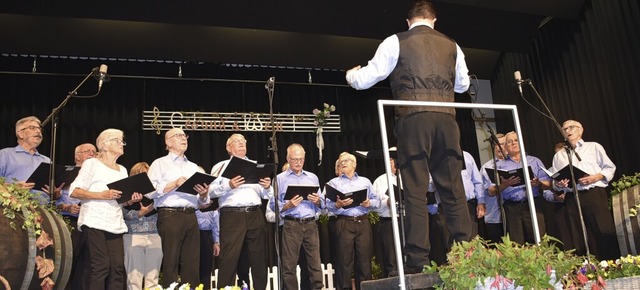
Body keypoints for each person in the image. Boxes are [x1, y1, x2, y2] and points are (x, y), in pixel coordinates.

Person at [345, 0, 472, 272]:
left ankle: (418, 263)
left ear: (408, 21)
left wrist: (351, 76)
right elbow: (463, 85)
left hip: (413, 118)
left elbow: (369, 77)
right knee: (452, 189)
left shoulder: (395, 41)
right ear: (434, 20)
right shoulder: (452, 44)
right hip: (447, 118)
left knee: (414, 190)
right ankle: (467, 256)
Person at [68, 128, 142, 290]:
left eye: (122, 140)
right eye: (118, 140)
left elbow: (121, 201)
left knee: (117, 269)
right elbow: (74, 191)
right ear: (104, 145)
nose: (122, 144)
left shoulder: (122, 169)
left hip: (114, 223)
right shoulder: (91, 164)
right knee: (101, 266)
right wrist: (103, 195)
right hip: (94, 221)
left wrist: (131, 200)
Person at [147, 128, 211, 287]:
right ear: (168, 142)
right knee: (171, 260)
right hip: (170, 216)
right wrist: (173, 184)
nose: (183, 138)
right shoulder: (159, 163)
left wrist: (203, 195)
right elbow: (148, 192)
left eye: (185, 135)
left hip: (191, 216)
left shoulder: (194, 166)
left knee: (192, 262)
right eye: (178, 136)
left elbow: (202, 202)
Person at [210, 133, 273, 290]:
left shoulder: (255, 165)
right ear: (228, 148)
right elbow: (209, 192)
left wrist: (267, 187)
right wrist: (228, 185)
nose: (241, 144)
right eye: (237, 141)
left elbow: (266, 195)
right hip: (232, 216)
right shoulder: (220, 166)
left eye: (243, 141)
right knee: (229, 258)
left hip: (255, 213)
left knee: (259, 258)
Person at [552, 120, 619, 260]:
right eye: (564, 129)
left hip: (593, 193)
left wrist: (595, 177)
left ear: (580, 130)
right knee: (578, 233)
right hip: (572, 196)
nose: (568, 131)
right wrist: (560, 184)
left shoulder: (593, 147)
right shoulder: (559, 155)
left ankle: (612, 264)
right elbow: (555, 180)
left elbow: (609, 168)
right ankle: (586, 269)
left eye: (571, 128)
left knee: (602, 229)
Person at [270, 143, 324, 290]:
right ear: (288, 158)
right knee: (289, 265)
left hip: (311, 224)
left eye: (301, 159)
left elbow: (323, 204)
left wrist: (318, 201)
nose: (298, 162)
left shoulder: (312, 178)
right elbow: (272, 205)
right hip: (291, 225)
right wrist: (287, 206)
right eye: (294, 159)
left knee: (315, 263)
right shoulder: (279, 179)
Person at [325, 152, 379, 290]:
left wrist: (369, 203)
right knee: (344, 263)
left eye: (346, 160)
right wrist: (337, 205)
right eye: (340, 161)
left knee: (364, 262)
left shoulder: (365, 181)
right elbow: (326, 205)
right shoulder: (334, 183)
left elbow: (377, 201)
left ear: (354, 164)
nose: (343, 163)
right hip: (344, 222)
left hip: (363, 222)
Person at [487, 131, 551, 245]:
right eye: (509, 142)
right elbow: (491, 191)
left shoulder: (534, 161)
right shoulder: (499, 166)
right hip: (511, 208)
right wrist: (504, 185)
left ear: (521, 143)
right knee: (515, 244)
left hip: (532, 204)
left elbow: (549, 184)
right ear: (505, 147)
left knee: (539, 240)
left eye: (516, 140)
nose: (513, 143)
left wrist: (539, 183)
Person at [56, 142, 96, 290]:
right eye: (87, 151)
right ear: (77, 156)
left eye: (94, 151)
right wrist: (66, 207)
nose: (92, 154)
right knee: (70, 263)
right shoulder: (65, 174)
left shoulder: (99, 175)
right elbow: (52, 204)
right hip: (70, 223)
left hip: (92, 224)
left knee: (90, 265)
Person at [122, 162, 163, 290]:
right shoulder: (126, 191)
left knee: (153, 277)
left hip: (154, 234)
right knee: (134, 278)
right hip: (133, 236)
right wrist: (139, 213)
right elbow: (121, 212)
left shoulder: (156, 191)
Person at [0, 116, 56, 204]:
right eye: (32, 128)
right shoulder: (5, 154)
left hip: (43, 212)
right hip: (14, 210)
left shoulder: (47, 160)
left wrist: (55, 193)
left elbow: (55, 195)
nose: (38, 131)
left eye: (39, 129)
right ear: (20, 134)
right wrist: (14, 186)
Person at [371, 156, 400, 277]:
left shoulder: (406, 177)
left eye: (393, 160)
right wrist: (386, 202)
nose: (391, 162)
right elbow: (374, 205)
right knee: (390, 257)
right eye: (389, 160)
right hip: (388, 221)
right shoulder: (380, 181)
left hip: (406, 220)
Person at [480, 133, 506, 244]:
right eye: (497, 144)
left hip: (512, 216)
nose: (500, 147)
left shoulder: (515, 163)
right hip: (494, 217)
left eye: (504, 144)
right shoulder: (487, 167)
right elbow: (490, 191)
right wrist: (504, 185)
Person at [461, 151, 485, 239]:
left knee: (472, 238)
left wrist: (481, 202)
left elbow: (477, 181)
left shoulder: (466, 155)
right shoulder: (436, 155)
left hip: (469, 204)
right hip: (448, 205)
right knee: (453, 243)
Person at [196, 207, 220, 290]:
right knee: (190, 267)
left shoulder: (211, 202)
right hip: (190, 234)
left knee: (206, 269)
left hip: (206, 235)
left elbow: (215, 221)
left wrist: (216, 242)